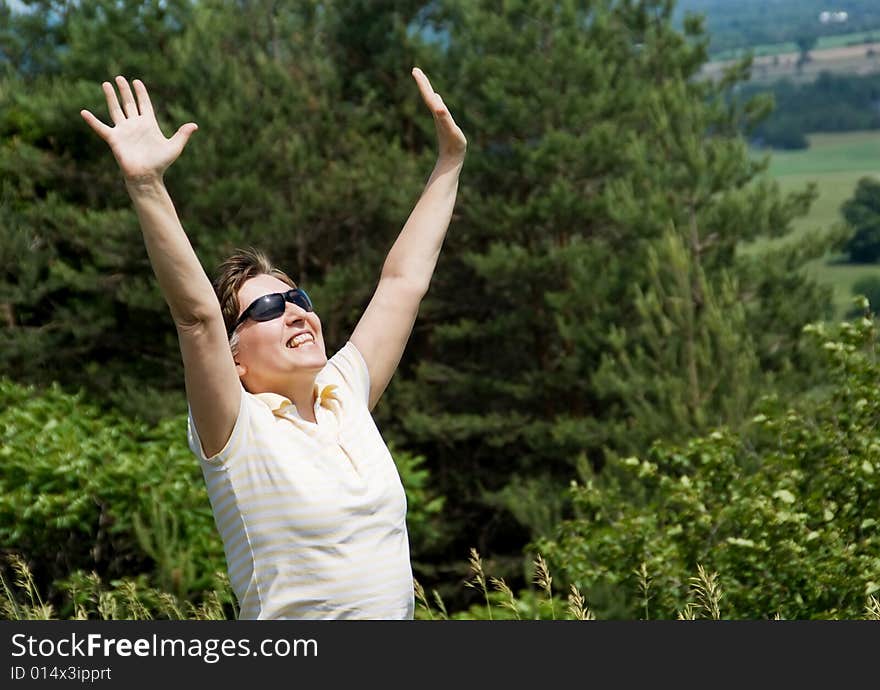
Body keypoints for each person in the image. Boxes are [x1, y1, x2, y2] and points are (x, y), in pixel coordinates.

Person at [80, 69, 466, 619]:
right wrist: (146, 184)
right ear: (233, 358)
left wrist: (449, 162)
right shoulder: (235, 429)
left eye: (300, 299)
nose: (295, 312)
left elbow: (403, 282)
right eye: (265, 308)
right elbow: (196, 318)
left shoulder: (344, 393)